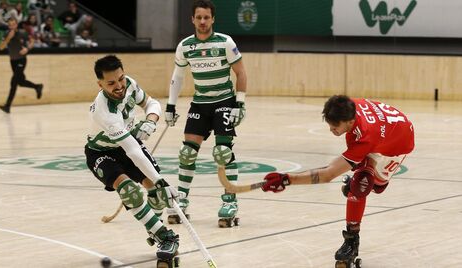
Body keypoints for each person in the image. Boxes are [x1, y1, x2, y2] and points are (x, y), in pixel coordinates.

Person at [261, 95, 415, 266]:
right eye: (329, 124)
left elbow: (328, 174)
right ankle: (352, 240)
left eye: (335, 126)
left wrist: (287, 179)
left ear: (350, 121)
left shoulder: (365, 137)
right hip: (383, 131)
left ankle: (365, 183)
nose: (331, 129)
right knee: (360, 184)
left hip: (397, 145)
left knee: (369, 185)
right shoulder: (347, 107)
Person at [84, 55, 179, 262]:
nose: (119, 86)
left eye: (121, 78)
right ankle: (164, 236)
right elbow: (134, 152)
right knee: (130, 191)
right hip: (102, 153)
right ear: (100, 84)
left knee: (158, 195)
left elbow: (152, 103)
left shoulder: (130, 85)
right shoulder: (104, 112)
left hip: (128, 141)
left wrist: (151, 121)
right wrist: (161, 180)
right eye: (111, 83)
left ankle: (153, 226)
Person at [164, 0, 248, 228]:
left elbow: (240, 73)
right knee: (186, 153)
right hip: (200, 103)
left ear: (213, 19)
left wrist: (240, 104)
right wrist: (171, 106)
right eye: (198, 17)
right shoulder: (185, 46)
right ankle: (181, 199)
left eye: (206, 17)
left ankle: (230, 200)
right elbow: (178, 77)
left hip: (224, 101)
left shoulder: (225, 42)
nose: (202, 22)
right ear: (192, 19)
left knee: (222, 152)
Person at [0, 17, 43, 114]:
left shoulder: (22, 33)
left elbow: (32, 41)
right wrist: (8, 38)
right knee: (21, 82)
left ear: (16, 24)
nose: (11, 26)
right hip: (13, 61)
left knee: (14, 82)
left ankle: (7, 106)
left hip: (21, 60)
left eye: (13, 24)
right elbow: (1, 48)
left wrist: (27, 49)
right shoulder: (6, 34)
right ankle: (37, 87)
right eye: (10, 25)